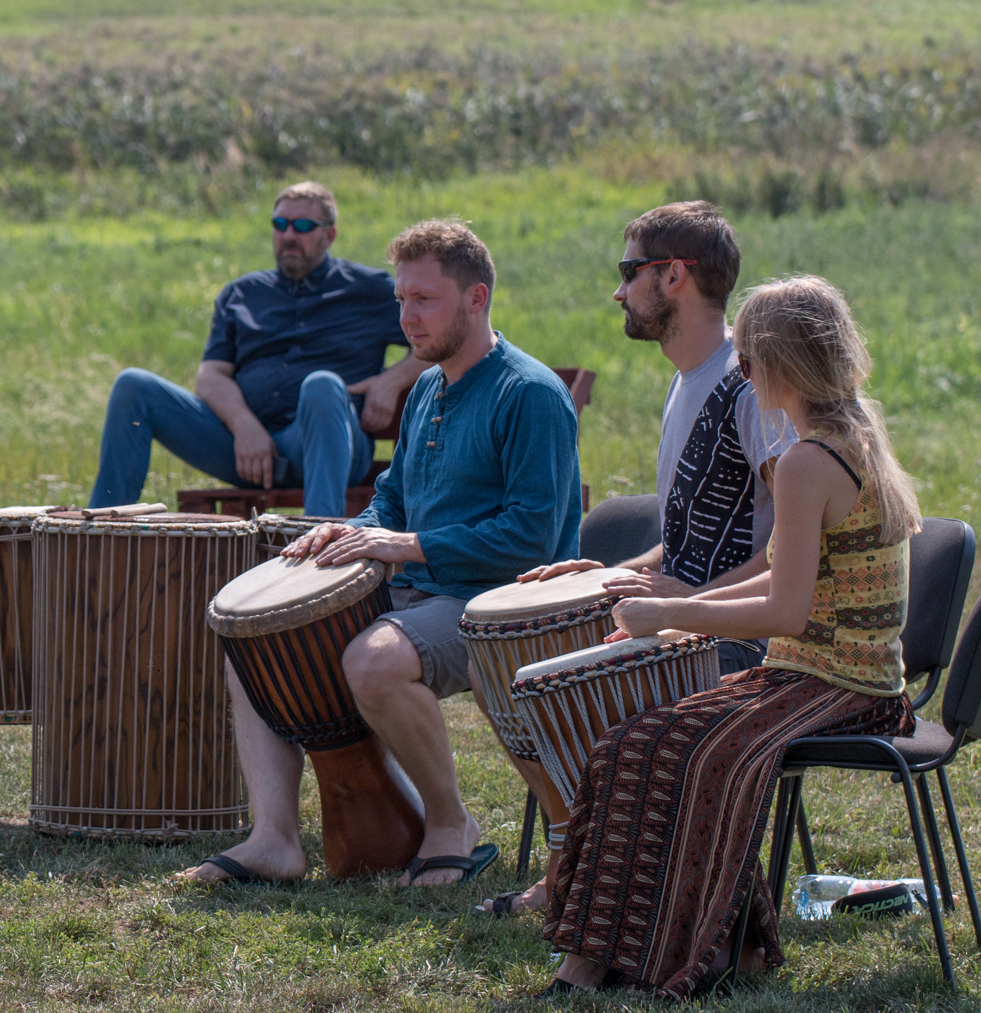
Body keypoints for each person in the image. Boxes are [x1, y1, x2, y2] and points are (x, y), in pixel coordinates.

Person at [543, 275, 919, 999]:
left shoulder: (811, 462)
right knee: (640, 741)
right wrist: (683, 604)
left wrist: (673, 614)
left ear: (784, 363)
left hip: (842, 689)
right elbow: (786, 580)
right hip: (843, 679)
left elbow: (786, 610)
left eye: (748, 362)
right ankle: (680, 950)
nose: (743, 377)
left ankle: (654, 954)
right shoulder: (850, 433)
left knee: (669, 748)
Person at [177, 219, 583, 886]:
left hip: (497, 604)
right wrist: (350, 529)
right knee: (259, 641)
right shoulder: (427, 388)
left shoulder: (530, 394)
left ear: (476, 298)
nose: (407, 318)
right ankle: (274, 838)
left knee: (374, 662)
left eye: (424, 300)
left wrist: (408, 545)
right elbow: (393, 497)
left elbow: (532, 537)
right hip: (424, 591)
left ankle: (451, 824)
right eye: (401, 300)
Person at [481, 200, 795, 917]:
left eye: (629, 272)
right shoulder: (686, 378)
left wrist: (695, 598)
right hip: (683, 615)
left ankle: (589, 871)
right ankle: (579, 856)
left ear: (674, 276)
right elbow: (687, 535)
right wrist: (603, 571)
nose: (617, 291)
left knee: (556, 679)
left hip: (743, 636)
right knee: (502, 663)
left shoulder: (750, 387)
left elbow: (790, 551)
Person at [88, 181, 426, 518]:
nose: (289, 234)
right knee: (133, 386)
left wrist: (392, 380)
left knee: (321, 384)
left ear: (330, 235)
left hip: (331, 446)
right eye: (280, 224)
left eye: (303, 226)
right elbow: (211, 376)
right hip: (245, 450)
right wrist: (243, 425)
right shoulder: (241, 294)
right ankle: (99, 535)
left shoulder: (371, 291)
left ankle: (320, 542)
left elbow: (434, 338)